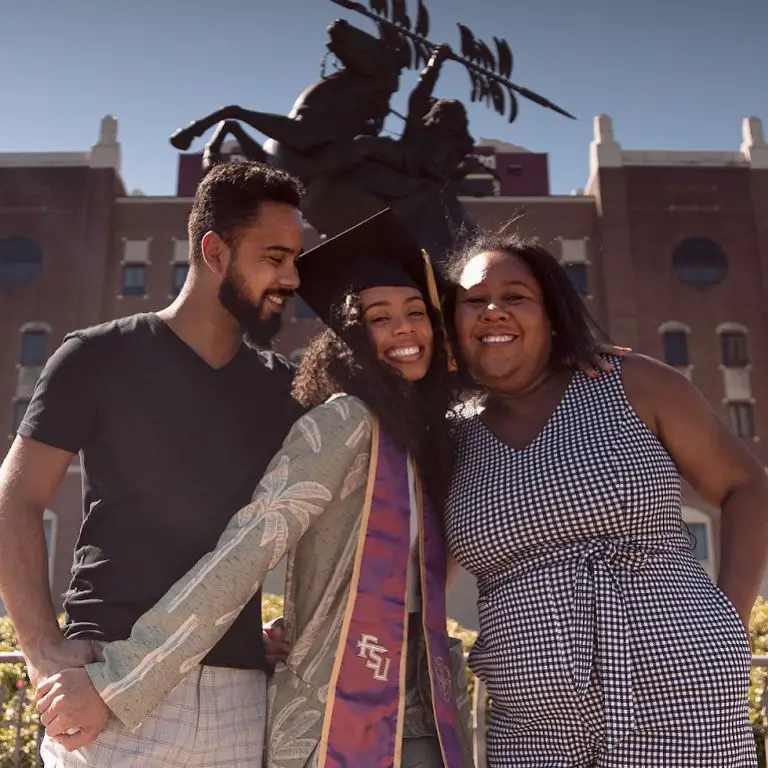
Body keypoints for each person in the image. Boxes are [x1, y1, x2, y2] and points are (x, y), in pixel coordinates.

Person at [35, 209, 475, 767]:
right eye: (377, 318)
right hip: (344, 707)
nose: (404, 328)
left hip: (430, 700)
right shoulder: (341, 423)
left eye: (416, 312)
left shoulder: (437, 441)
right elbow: (244, 552)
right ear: (348, 337)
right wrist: (123, 680)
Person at [0, 161, 307, 767]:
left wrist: (289, 627)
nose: (292, 277)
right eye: (275, 257)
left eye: (296, 259)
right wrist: (41, 651)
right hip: (106, 686)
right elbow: (16, 499)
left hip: (240, 698)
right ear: (214, 251)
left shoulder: (284, 389)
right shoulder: (97, 355)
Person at [443, 230, 768, 767]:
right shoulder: (451, 439)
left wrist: (728, 625)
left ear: (551, 313)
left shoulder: (631, 382)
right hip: (530, 724)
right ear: (453, 323)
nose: (493, 311)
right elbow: (418, 570)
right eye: (474, 300)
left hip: (679, 692)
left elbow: (747, 485)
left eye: (516, 297)